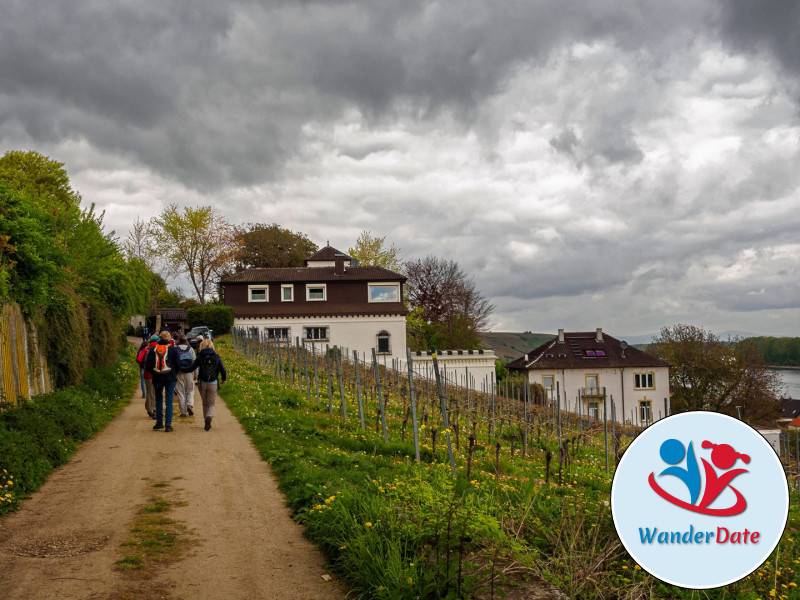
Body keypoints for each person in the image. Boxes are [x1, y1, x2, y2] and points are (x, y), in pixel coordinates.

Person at [145, 331, 179, 432]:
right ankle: (168, 425)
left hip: (157, 377)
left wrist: (155, 372)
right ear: (169, 338)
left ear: (159, 338)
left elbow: (148, 366)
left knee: (158, 400)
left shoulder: (152, 350)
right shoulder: (173, 350)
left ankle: (159, 423)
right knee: (169, 400)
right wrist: (174, 373)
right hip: (170, 378)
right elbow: (178, 364)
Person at [193, 338, 227, 431]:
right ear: (212, 345)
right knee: (211, 404)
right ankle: (209, 416)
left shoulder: (200, 356)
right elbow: (223, 370)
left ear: (201, 346)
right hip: (213, 382)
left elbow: (192, 367)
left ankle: (205, 421)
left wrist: (181, 368)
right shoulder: (216, 357)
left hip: (202, 382)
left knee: (205, 403)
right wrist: (223, 379)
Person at [174, 334, 196, 417]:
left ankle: (183, 412)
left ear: (179, 340)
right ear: (186, 341)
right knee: (190, 390)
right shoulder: (191, 349)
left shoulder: (176, 349)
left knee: (180, 393)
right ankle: (189, 405)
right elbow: (194, 362)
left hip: (179, 373)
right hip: (189, 373)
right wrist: (195, 374)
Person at [139, 335, 160, 418]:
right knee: (155, 392)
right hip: (157, 373)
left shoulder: (146, 349)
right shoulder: (159, 347)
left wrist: (144, 366)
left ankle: (150, 408)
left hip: (147, 373)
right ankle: (152, 409)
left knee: (149, 391)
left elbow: (139, 359)